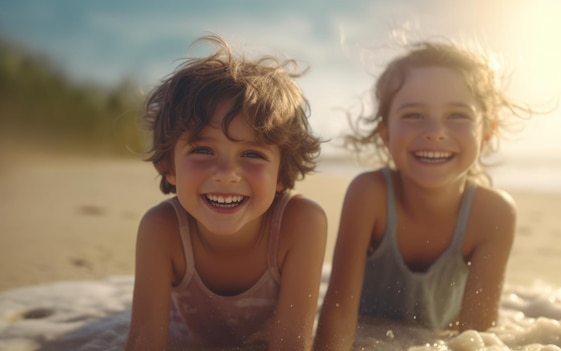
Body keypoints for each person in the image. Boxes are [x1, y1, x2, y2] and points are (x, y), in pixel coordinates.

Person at [315, 39, 535, 350]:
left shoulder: (491, 213)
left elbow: (477, 336)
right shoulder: (370, 196)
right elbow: (337, 318)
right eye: (414, 115)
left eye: (457, 115)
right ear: (385, 133)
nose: (435, 131)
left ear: (487, 132)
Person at [125, 34, 327, 351]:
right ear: (169, 165)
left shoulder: (300, 224)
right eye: (203, 150)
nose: (227, 174)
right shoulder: (162, 230)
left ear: (281, 173)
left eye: (252, 154)